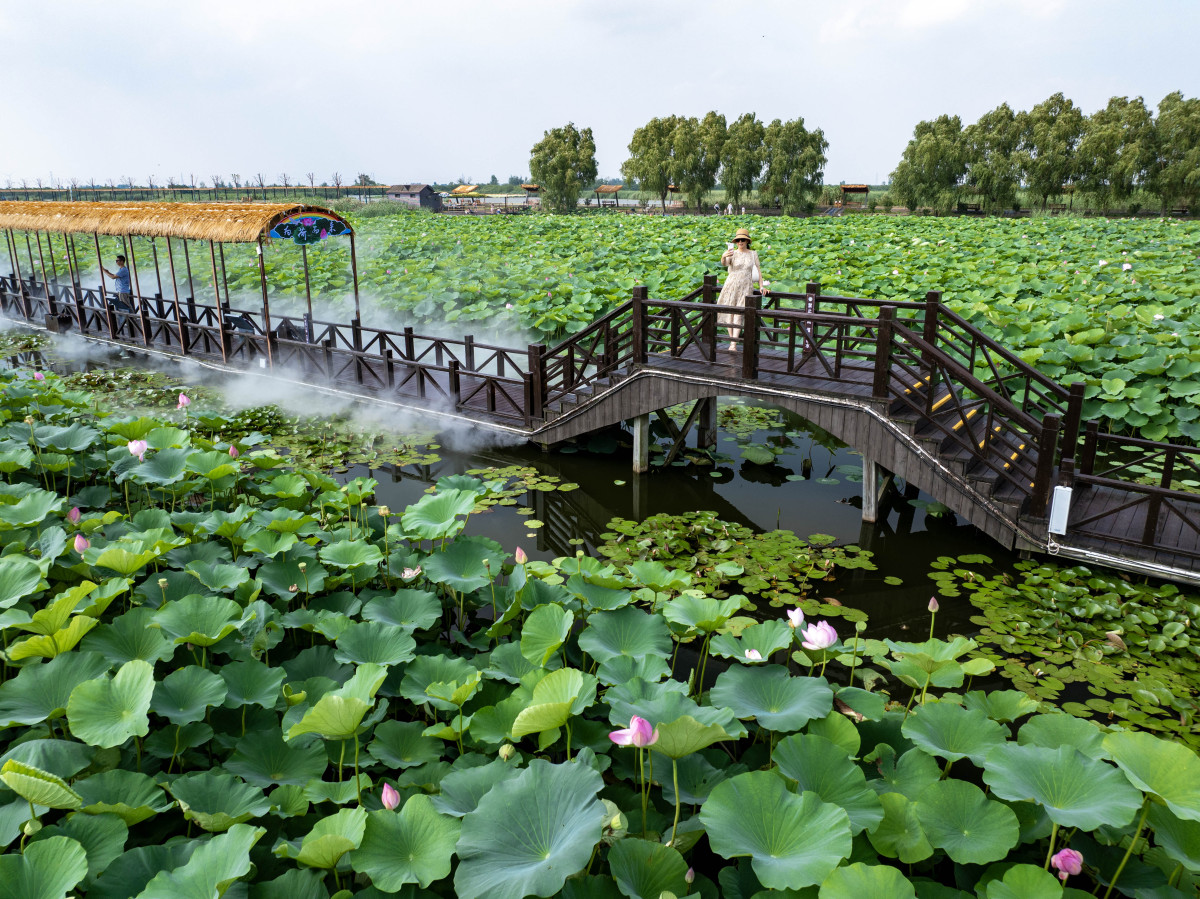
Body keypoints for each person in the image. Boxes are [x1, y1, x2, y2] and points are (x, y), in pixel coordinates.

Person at [717, 227, 766, 351]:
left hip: (746, 286)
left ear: (747, 241)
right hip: (731, 284)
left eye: (743, 240)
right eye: (738, 240)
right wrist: (723, 256)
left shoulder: (753, 254)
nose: (740, 242)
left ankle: (734, 343)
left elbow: (758, 271)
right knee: (730, 312)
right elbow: (725, 263)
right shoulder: (732, 252)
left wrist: (761, 286)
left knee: (739, 313)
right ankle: (732, 343)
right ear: (735, 242)